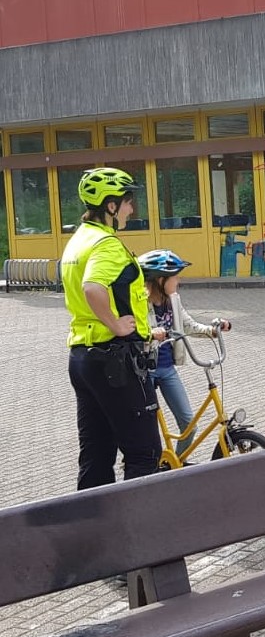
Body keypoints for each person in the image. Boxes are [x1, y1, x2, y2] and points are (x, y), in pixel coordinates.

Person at [61, 167, 162, 489]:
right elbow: (93, 287)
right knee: (144, 453)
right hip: (116, 361)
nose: (132, 208)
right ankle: (140, 534)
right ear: (111, 206)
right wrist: (116, 324)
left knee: (96, 453)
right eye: (128, 201)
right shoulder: (106, 244)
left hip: (82, 357)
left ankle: (92, 532)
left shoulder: (77, 241)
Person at [139, 249, 231, 458]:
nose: (178, 280)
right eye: (175, 276)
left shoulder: (174, 301)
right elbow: (132, 332)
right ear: (160, 279)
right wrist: (150, 334)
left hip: (167, 369)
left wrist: (213, 330)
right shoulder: (140, 303)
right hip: (145, 371)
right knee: (147, 432)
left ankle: (176, 468)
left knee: (189, 425)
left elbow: (189, 326)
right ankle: (146, 469)